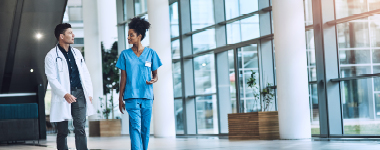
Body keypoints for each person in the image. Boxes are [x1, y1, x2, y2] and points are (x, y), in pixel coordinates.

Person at [45, 23, 95, 150]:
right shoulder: (51, 55)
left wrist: (89, 93)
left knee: (80, 128)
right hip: (63, 95)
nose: (73, 35)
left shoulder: (77, 53)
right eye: (70, 33)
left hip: (79, 93)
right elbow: (52, 78)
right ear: (61, 36)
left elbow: (85, 74)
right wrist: (64, 94)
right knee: (62, 131)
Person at [117, 17, 162, 150]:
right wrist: (120, 98)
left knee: (145, 129)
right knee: (135, 126)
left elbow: (155, 75)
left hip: (147, 96)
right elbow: (123, 78)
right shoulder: (125, 55)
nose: (128, 37)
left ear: (139, 36)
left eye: (131, 35)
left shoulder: (151, 53)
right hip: (131, 96)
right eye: (128, 35)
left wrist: (154, 79)